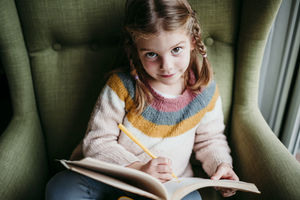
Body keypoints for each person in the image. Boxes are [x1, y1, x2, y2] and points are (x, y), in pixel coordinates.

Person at [46, 0, 239, 199]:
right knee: (61, 187)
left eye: (176, 50)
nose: (167, 66)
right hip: (113, 179)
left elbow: (210, 140)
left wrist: (221, 165)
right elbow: (97, 141)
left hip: (167, 188)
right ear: (136, 50)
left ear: (192, 40)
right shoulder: (122, 86)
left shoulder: (203, 90)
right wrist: (138, 168)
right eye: (152, 54)